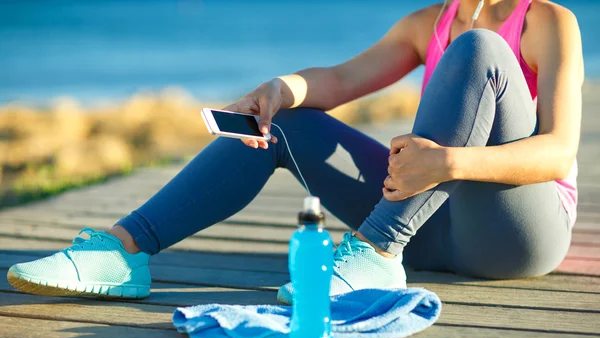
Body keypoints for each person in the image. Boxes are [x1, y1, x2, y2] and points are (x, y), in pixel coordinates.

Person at [8, 0, 583, 304]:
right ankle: (123, 250)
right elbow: (338, 78)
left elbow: (557, 154)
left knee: (480, 50)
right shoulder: (425, 23)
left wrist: (452, 164)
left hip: (518, 233)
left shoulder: (549, 21)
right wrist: (282, 90)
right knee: (285, 120)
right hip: (433, 225)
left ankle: (376, 253)